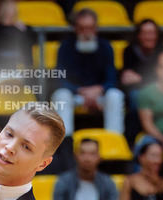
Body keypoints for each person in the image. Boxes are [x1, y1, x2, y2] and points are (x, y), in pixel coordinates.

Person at [50, 8, 124, 137]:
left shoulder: (106, 46)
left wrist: (98, 90)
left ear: (96, 29)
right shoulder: (65, 47)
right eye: (82, 28)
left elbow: (111, 78)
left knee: (115, 96)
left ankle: (114, 140)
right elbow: (60, 78)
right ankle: (65, 144)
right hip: (76, 94)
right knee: (61, 95)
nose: (86, 32)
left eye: (90, 28)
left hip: (100, 95)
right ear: (75, 29)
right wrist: (80, 91)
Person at [50, 137, 120, 200]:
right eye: (83, 153)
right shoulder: (64, 180)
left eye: (92, 154)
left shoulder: (108, 183)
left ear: (100, 157)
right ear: (75, 156)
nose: (87, 158)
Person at [119, 19, 163, 141]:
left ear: (157, 35)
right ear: (138, 35)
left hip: (160, 91)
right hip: (135, 93)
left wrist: (141, 79)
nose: (148, 37)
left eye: (152, 33)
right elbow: (127, 79)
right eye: (145, 33)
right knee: (136, 97)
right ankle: (133, 139)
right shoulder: (129, 51)